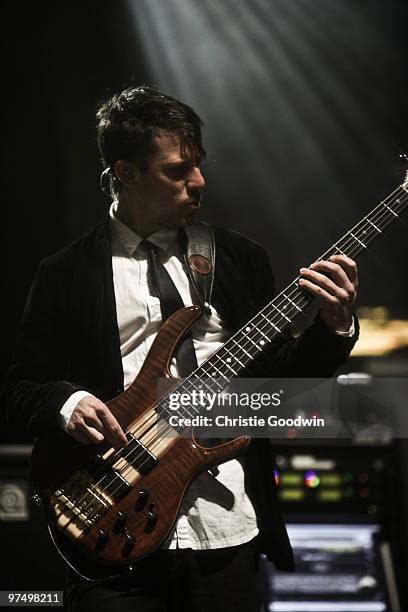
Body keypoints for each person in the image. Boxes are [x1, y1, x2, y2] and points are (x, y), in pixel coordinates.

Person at [3, 85, 359, 611]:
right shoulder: (66, 273)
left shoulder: (238, 259)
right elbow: (21, 387)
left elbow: (287, 386)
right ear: (125, 173)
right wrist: (66, 402)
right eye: (177, 170)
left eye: (199, 164)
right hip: (113, 519)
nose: (198, 182)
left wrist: (334, 325)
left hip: (225, 525)